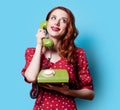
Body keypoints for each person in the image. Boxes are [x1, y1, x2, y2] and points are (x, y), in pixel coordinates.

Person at [21, 6, 94, 110]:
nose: (56, 23)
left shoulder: (78, 54)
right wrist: (39, 45)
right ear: (46, 23)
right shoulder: (32, 52)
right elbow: (31, 78)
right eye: (53, 18)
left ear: (68, 27)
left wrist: (67, 91)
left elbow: (90, 94)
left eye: (63, 20)